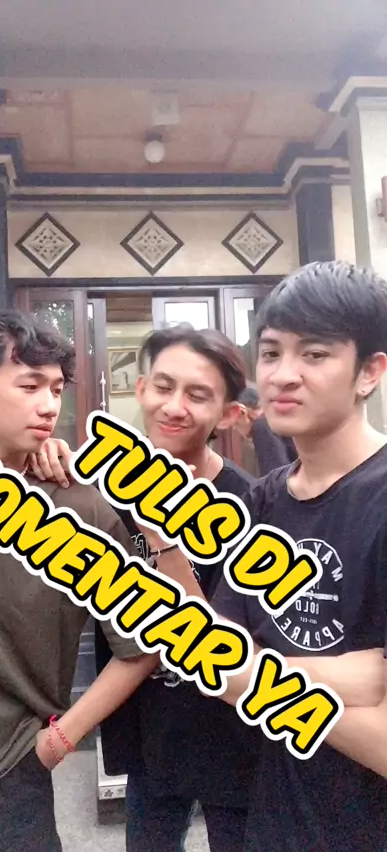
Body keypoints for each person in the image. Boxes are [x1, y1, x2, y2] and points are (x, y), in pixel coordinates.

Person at [0, 309, 167, 852]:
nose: (50, 405)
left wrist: (59, 740)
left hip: (11, 781)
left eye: (56, 388)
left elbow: (142, 646)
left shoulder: (82, 510)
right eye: (29, 386)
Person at [34, 325, 262, 852]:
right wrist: (42, 454)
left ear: (229, 414)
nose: (174, 407)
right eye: (163, 386)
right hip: (148, 732)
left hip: (234, 736)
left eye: (198, 395)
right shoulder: (100, 487)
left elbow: (222, 646)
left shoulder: (249, 504)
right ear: (140, 389)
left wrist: (164, 536)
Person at [209, 261, 387, 851]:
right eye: (271, 353)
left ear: (369, 373)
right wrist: (359, 677)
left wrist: (262, 675)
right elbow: (216, 666)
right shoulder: (261, 502)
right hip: (275, 822)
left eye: (314, 354)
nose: (283, 375)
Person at [236, 385, 297, 475]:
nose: (235, 429)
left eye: (236, 424)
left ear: (242, 412)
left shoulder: (262, 426)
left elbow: (275, 474)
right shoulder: (274, 419)